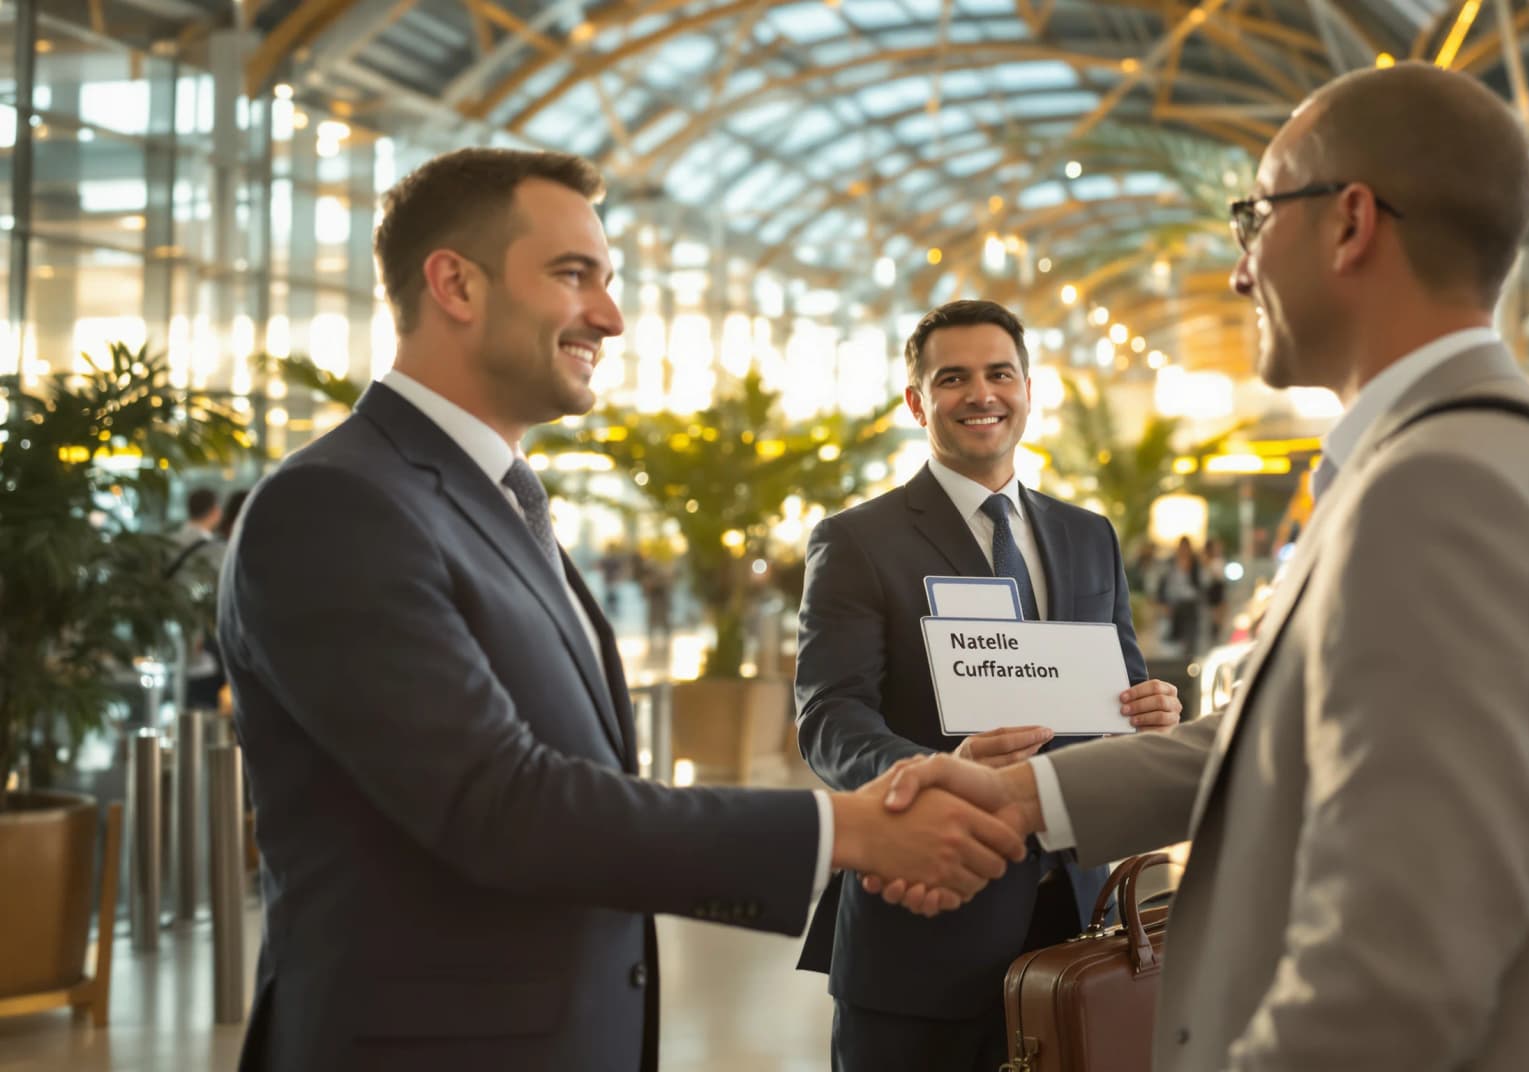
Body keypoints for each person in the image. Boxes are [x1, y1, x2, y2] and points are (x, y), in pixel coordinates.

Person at [871, 62, 1529, 1072]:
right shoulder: (1496, 458)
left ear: (1350, 223)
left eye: (1255, 217)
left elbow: (1392, 976)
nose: (1242, 268)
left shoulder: (1446, 496)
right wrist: (1021, 798)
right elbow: (1276, 741)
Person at [217, 148, 1026, 1072]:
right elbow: (503, 805)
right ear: (455, 284)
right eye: (574, 276)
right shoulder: (338, 505)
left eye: (609, 279)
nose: (611, 315)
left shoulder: (490, 499)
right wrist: (852, 830)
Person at [793, 298, 1183, 1072]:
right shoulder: (857, 541)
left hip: (1071, 920)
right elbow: (830, 718)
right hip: (921, 924)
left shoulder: (1086, 533)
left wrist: (1155, 709)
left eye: (1000, 373)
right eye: (954, 378)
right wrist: (928, 774)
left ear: (1028, 389)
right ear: (917, 401)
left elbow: (1122, 685)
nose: (982, 394)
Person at [170, 487, 227, 709]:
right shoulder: (216, 550)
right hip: (201, 638)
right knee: (203, 704)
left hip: (171, 634)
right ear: (214, 511)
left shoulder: (167, 542)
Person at [1156, 535, 1209, 660]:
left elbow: (1202, 584)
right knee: (1173, 639)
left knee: (1190, 638)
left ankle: (1188, 660)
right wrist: (1163, 603)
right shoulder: (1170, 563)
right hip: (1174, 605)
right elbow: (1162, 584)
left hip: (1191, 605)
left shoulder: (1196, 564)